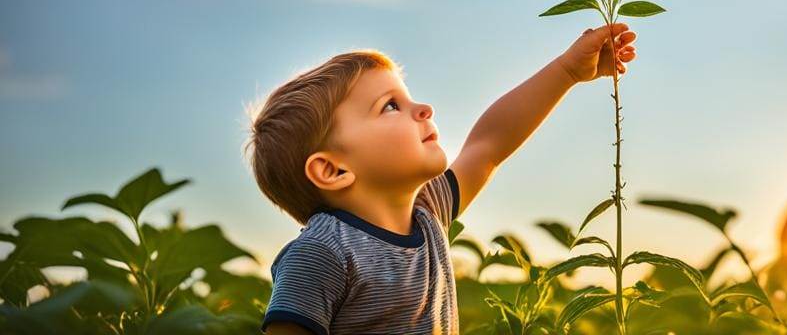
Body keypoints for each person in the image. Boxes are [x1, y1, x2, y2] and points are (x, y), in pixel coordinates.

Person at [245, 23, 638, 335]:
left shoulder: (427, 213)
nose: (424, 108)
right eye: (390, 106)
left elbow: (489, 146)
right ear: (332, 170)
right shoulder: (322, 252)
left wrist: (568, 71)